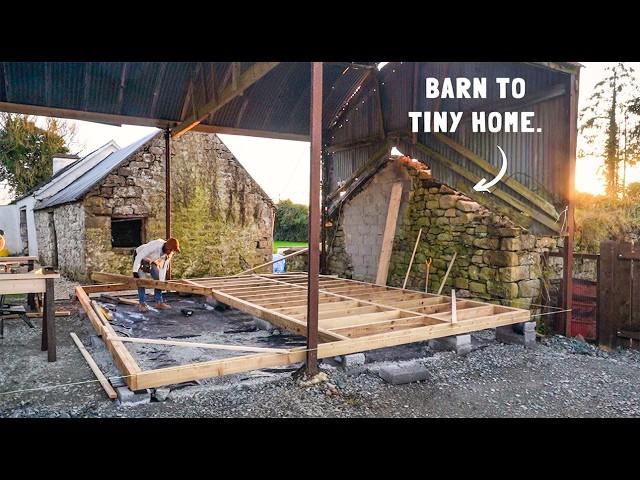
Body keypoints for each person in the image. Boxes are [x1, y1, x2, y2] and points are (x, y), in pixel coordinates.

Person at [132, 237, 181, 313]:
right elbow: (139, 256)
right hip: (139, 256)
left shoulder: (168, 254)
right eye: (171, 250)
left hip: (151, 260)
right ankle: (142, 304)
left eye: (173, 250)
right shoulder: (155, 245)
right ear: (167, 247)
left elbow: (163, 268)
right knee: (142, 280)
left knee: (158, 279)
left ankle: (159, 302)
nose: (171, 252)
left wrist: (161, 283)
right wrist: (135, 271)